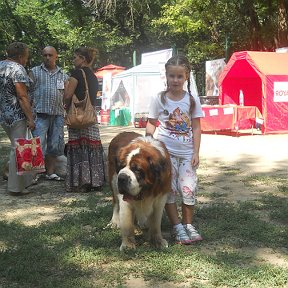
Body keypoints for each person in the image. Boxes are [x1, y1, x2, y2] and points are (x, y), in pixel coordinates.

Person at [145, 55, 203, 244]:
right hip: (165, 153)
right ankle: (177, 226)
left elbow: (196, 127)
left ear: (186, 77)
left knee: (188, 188)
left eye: (179, 76)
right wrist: (147, 145)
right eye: (172, 76)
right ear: (166, 76)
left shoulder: (192, 100)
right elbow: (152, 123)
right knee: (169, 190)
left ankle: (188, 225)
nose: (175, 80)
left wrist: (195, 152)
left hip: (187, 153)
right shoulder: (159, 99)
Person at [63, 47, 105, 192]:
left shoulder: (76, 73)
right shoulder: (93, 76)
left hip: (78, 117)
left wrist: (65, 107)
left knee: (78, 146)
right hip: (90, 117)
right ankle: (96, 180)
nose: (73, 60)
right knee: (91, 146)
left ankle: (80, 181)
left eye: (75, 57)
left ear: (82, 58)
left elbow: (68, 95)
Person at [0, 42, 35, 195]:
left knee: (18, 148)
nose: (26, 61)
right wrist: (30, 118)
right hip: (16, 115)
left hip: (3, 115)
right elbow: (22, 96)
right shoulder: (17, 69)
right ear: (20, 56)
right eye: (26, 58)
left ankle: (23, 181)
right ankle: (15, 188)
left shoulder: (1, 65)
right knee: (18, 150)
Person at [30, 46, 68, 181]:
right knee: (37, 145)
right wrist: (29, 114)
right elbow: (28, 93)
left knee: (54, 144)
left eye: (50, 55)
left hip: (57, 114)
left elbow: (66, 95)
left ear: (56, 56)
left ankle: (50, 172)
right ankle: (33, 175)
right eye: (45, 55)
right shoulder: (34, 72)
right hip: (40, 115)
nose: (47, 57)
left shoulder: (63, 75)